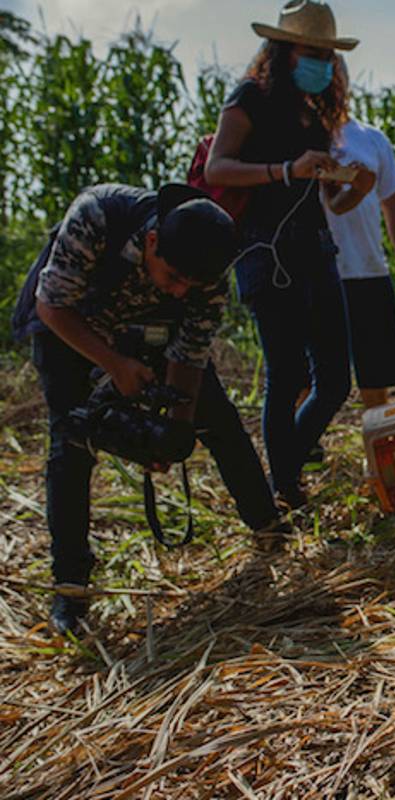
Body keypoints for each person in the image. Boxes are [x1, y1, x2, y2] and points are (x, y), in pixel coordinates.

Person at [10, 183, 290, 636]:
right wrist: (115, 365)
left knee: (216, 418)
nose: (181, 292)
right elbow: (52, 306)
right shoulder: (97, 217)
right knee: (71, 441)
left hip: (152, 333)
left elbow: (190, 355)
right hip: (70, 326)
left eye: (191, 286)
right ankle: (71, 590)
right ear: (153, 242)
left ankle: (268, 528)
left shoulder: (208, 273)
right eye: (174, 278)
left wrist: (172, 432)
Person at [204, 0, 357, 509]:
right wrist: (285, 170)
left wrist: (349, 184)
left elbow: (326, 198)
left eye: (327, 54)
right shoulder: (251, 97)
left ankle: (285, 466)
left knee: (335, 379)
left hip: (316, 249)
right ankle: (285, 487)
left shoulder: (314, 111)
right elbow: (218, 170)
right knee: (287, 374)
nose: (321, 63)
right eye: (311, 52)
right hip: (266, 252)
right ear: (284, 50)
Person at [321, 108, 395, 410]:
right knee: (309, 376)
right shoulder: (297, 137)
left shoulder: (372, 139)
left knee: (376, 376)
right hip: (316, 270)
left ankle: (379, 448)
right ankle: (307, 450)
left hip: (367, 269)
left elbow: (392, 202)